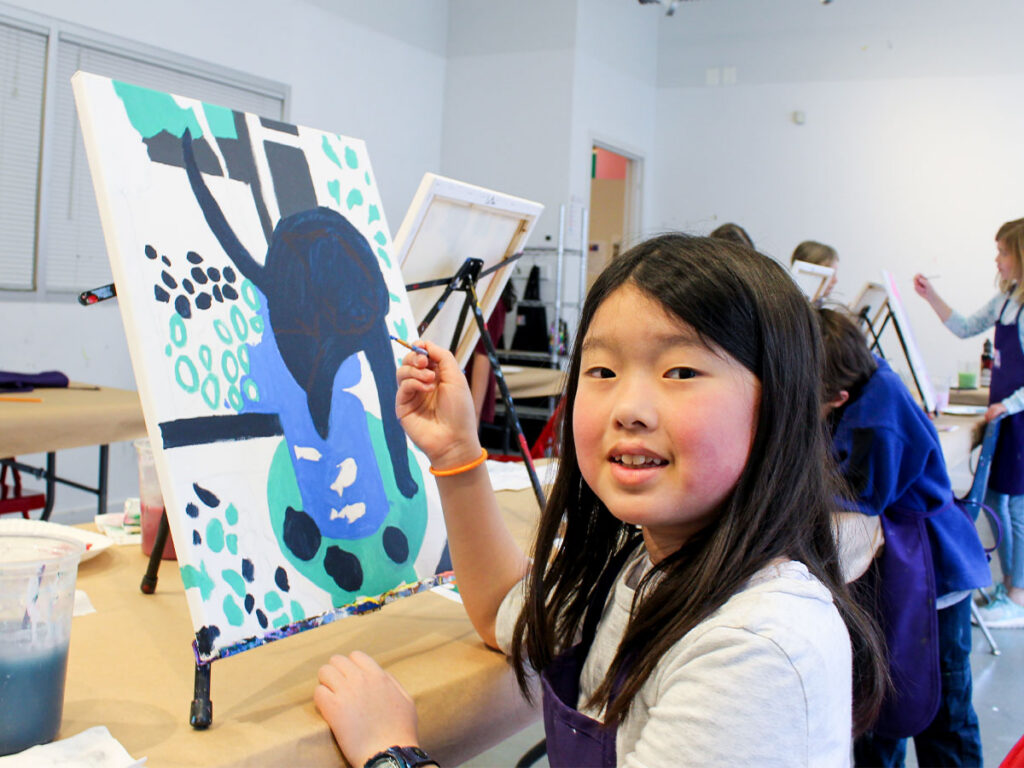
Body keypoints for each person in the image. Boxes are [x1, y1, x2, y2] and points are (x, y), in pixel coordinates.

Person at [314, 235, 885, 768]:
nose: (628, 408)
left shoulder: (755, 649)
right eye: (603, 370)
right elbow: (504, 614)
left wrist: (391, 755)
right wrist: (458, 453)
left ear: (779, 402)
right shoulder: (644, 566)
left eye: (681, 371)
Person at [818, 307, 990, 767]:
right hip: (898, 566)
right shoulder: (868, 377)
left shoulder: (880, 421)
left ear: (838, 397)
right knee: (881, 703)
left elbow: (863, 496)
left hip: (933, 572)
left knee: (943, 707)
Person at [915, 217, 1024, 628]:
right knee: (997, 501)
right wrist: (931, 297)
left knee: (1016, 508)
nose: (997, 260)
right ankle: (1008, 589)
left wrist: (1009, 404)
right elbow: (963, 327)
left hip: (1017, 419)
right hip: (1005, 419)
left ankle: (1018, 595)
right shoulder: (1005, 300)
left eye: (1003, 252)